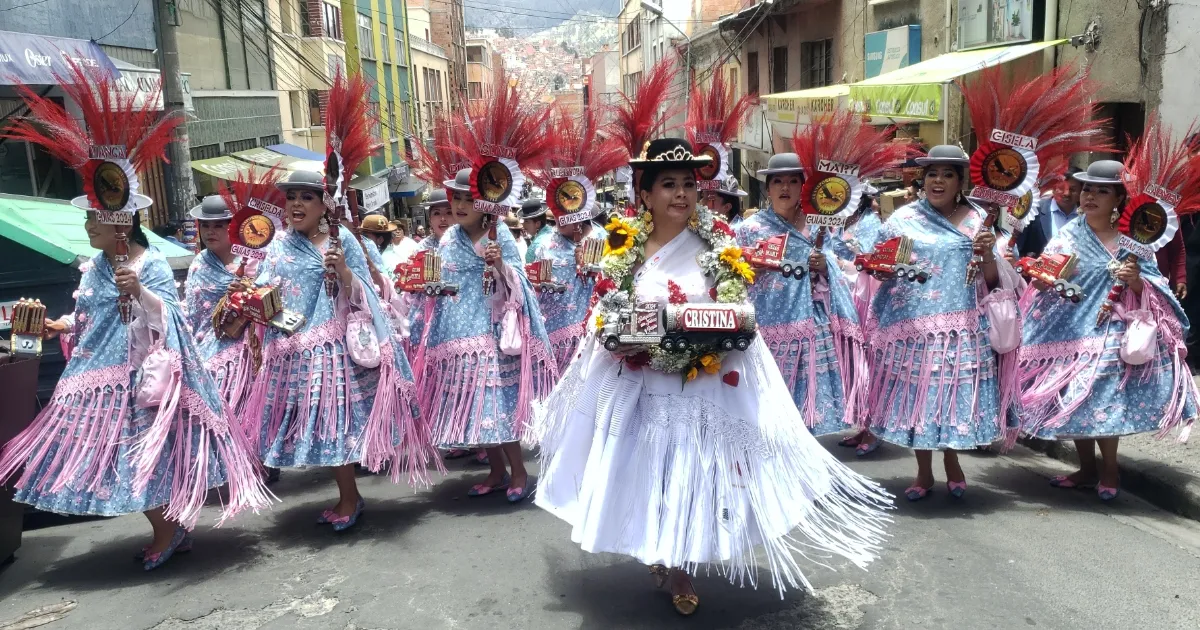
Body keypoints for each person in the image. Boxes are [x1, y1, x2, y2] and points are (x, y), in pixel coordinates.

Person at [530, 138, 890, 615]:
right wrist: (625, 335)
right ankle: (659, 549)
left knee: (691, 468)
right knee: (647, 469)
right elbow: (609, 311)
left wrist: (721, 327)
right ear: (644, 193)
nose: (681, 195)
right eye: (669, 185)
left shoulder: (718, 241)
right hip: (642, 381)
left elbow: (735, 307)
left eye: (688, 185)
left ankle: (679, 561)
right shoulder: (622, 244)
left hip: (703, 377)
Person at [0, 60, 270, 571]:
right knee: (128, 461)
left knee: (138, 460)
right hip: (100, 382)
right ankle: (173, 527)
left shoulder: (150, 264)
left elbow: (170, 316)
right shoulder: (94, 265)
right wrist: (58, 326)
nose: (84, 223)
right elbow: (88, 321)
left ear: (115, 219)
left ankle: (167, 531)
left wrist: (141, 291)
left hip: (142, 384)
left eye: (90, 216)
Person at [242, 171, 437, 530]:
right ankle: (349, 495)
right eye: (291, 197)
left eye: (306, 197)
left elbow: (368, 293)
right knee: (322, 427)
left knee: (337, 425)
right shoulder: (279, 245)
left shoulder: (342, 238)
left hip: (338, 351)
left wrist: (344, 271)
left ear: (324, 205)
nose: (296, 204)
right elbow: (265, 291)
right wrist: (250, 298)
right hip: (295, 350)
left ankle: (349, 498)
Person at [1019, 157, 1200, 500]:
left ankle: (1111, 469)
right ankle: (1087, 469)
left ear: (1118, 199)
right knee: (1075, 400)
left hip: (1113, 334)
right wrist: (1042, 278)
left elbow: (1154, 286)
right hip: (1071, 331)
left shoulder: (1134, 242)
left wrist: (1135, 283)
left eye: (1101, 191)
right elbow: (1045, 278)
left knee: (1099, 397)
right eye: (1087, 189)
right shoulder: (1069, 233)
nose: (1089, 196)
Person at [866, 145, 1021, 501]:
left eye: (947, 174)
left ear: (960, 181)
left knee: (947, 400)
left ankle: (953, 463)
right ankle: (923, 473)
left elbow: (995, 280)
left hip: (961, 327)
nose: (938, 181)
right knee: (921, 400)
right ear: (923, 180)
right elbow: (877, 264)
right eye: (932, 173)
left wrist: (986, 254)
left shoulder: (977, 220)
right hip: (913, 329)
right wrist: (881, 267)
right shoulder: (903, 220)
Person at [418, 168, 558, 501]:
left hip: (492, 335)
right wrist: (429, 288)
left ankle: (519, 472)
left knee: (497, 407)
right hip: (458, 337)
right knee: (477, 410)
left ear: (485, 204)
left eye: (470, 198)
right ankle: (496, 472)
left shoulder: (500, 236)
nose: (461, 205)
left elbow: (520, 284)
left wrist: (499, 266)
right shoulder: (449, 238)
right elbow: (445, 281)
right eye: (457, 198)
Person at [735, 149, 871, 446]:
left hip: (811, 328)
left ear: (803, 187)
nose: (785, 188)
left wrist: (825, 266)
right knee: (768, 409)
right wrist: (751, 269)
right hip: (766, 328)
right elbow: (734, 277)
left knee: (806, 411)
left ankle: (807, 475)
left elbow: (837, 264)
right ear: (768, 188)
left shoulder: (819, 226)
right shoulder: (749, 229)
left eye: (793, 181)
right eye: (778, 181)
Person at [1016, 167, 1083, 257]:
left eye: (1073, 189)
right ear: (1054, 188)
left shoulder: (1086, 217)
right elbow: (1019, 249)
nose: (1067, 194)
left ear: (1081, 192)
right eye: (1061, 188)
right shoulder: (1034, 210)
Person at [522, 197, 552, 263]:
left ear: (537, 224)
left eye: (527, 221)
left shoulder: (537, 245)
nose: (523, 225)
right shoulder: (552, 233)